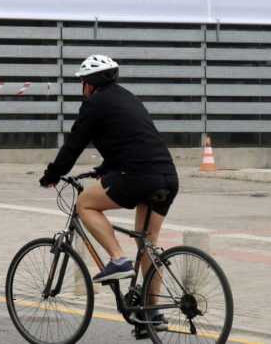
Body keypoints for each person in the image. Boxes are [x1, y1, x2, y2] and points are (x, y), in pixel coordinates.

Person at [38, 54, 178, 333]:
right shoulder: (128, 98)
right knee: (148, 243)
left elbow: (74, 144)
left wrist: (52, 175)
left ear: (90, 84)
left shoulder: (94, 104)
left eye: (83, 82)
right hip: (166, 176)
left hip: (137, 176)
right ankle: (151, 315)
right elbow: (131, 139)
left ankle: (117, 258)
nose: (83, 88)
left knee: (85, 204)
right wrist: (103, 169)